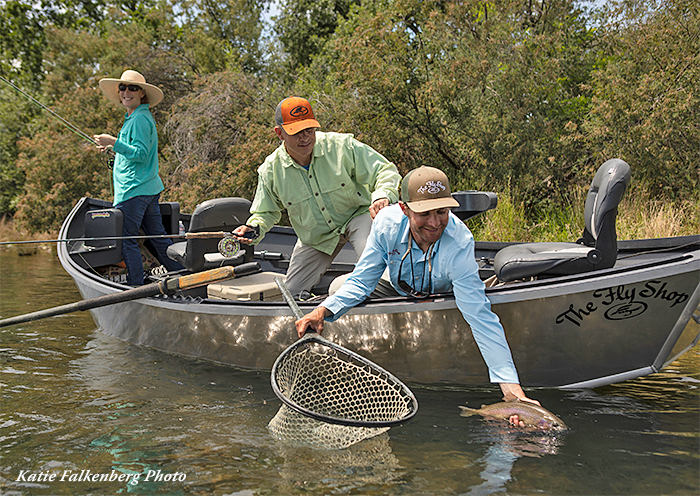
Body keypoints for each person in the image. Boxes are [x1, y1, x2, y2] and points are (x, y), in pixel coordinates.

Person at [296, 166, 541, 426]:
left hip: (445, 293)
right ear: (404, 209)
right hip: (397, 287)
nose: (435, 223)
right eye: (424, 213)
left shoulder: (459, 242)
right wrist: (322, 310)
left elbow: (480, 318)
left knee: (477, 302)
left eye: (442, 212)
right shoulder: (385, 224)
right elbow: (362, 280)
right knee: (337, 288)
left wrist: (512, 392)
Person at [232, 96, 401, 296]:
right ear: (280, 133)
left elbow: (384, 170)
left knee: (377, 271)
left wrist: (381, 196)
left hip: (358, 217)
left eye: (309, 130)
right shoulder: (271, 170)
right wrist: (253, 228)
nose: (305, 137)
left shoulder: (341, 146)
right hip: (315, 236)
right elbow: (266, 212)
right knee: (290, 295)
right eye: (296, 132)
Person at [94, 70, 183, 286]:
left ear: (142, 93)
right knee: (159, 239)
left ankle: (136, 287)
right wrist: (114, 149)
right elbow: (134, 153)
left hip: (134, 191)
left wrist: (114, 142)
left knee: (127, 241)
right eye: (123, 88)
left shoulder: (140, 119)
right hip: (145, 188)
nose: (126, 92)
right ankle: (185, 278)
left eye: (132, 88)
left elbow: (141, 154)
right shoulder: (136, 117)